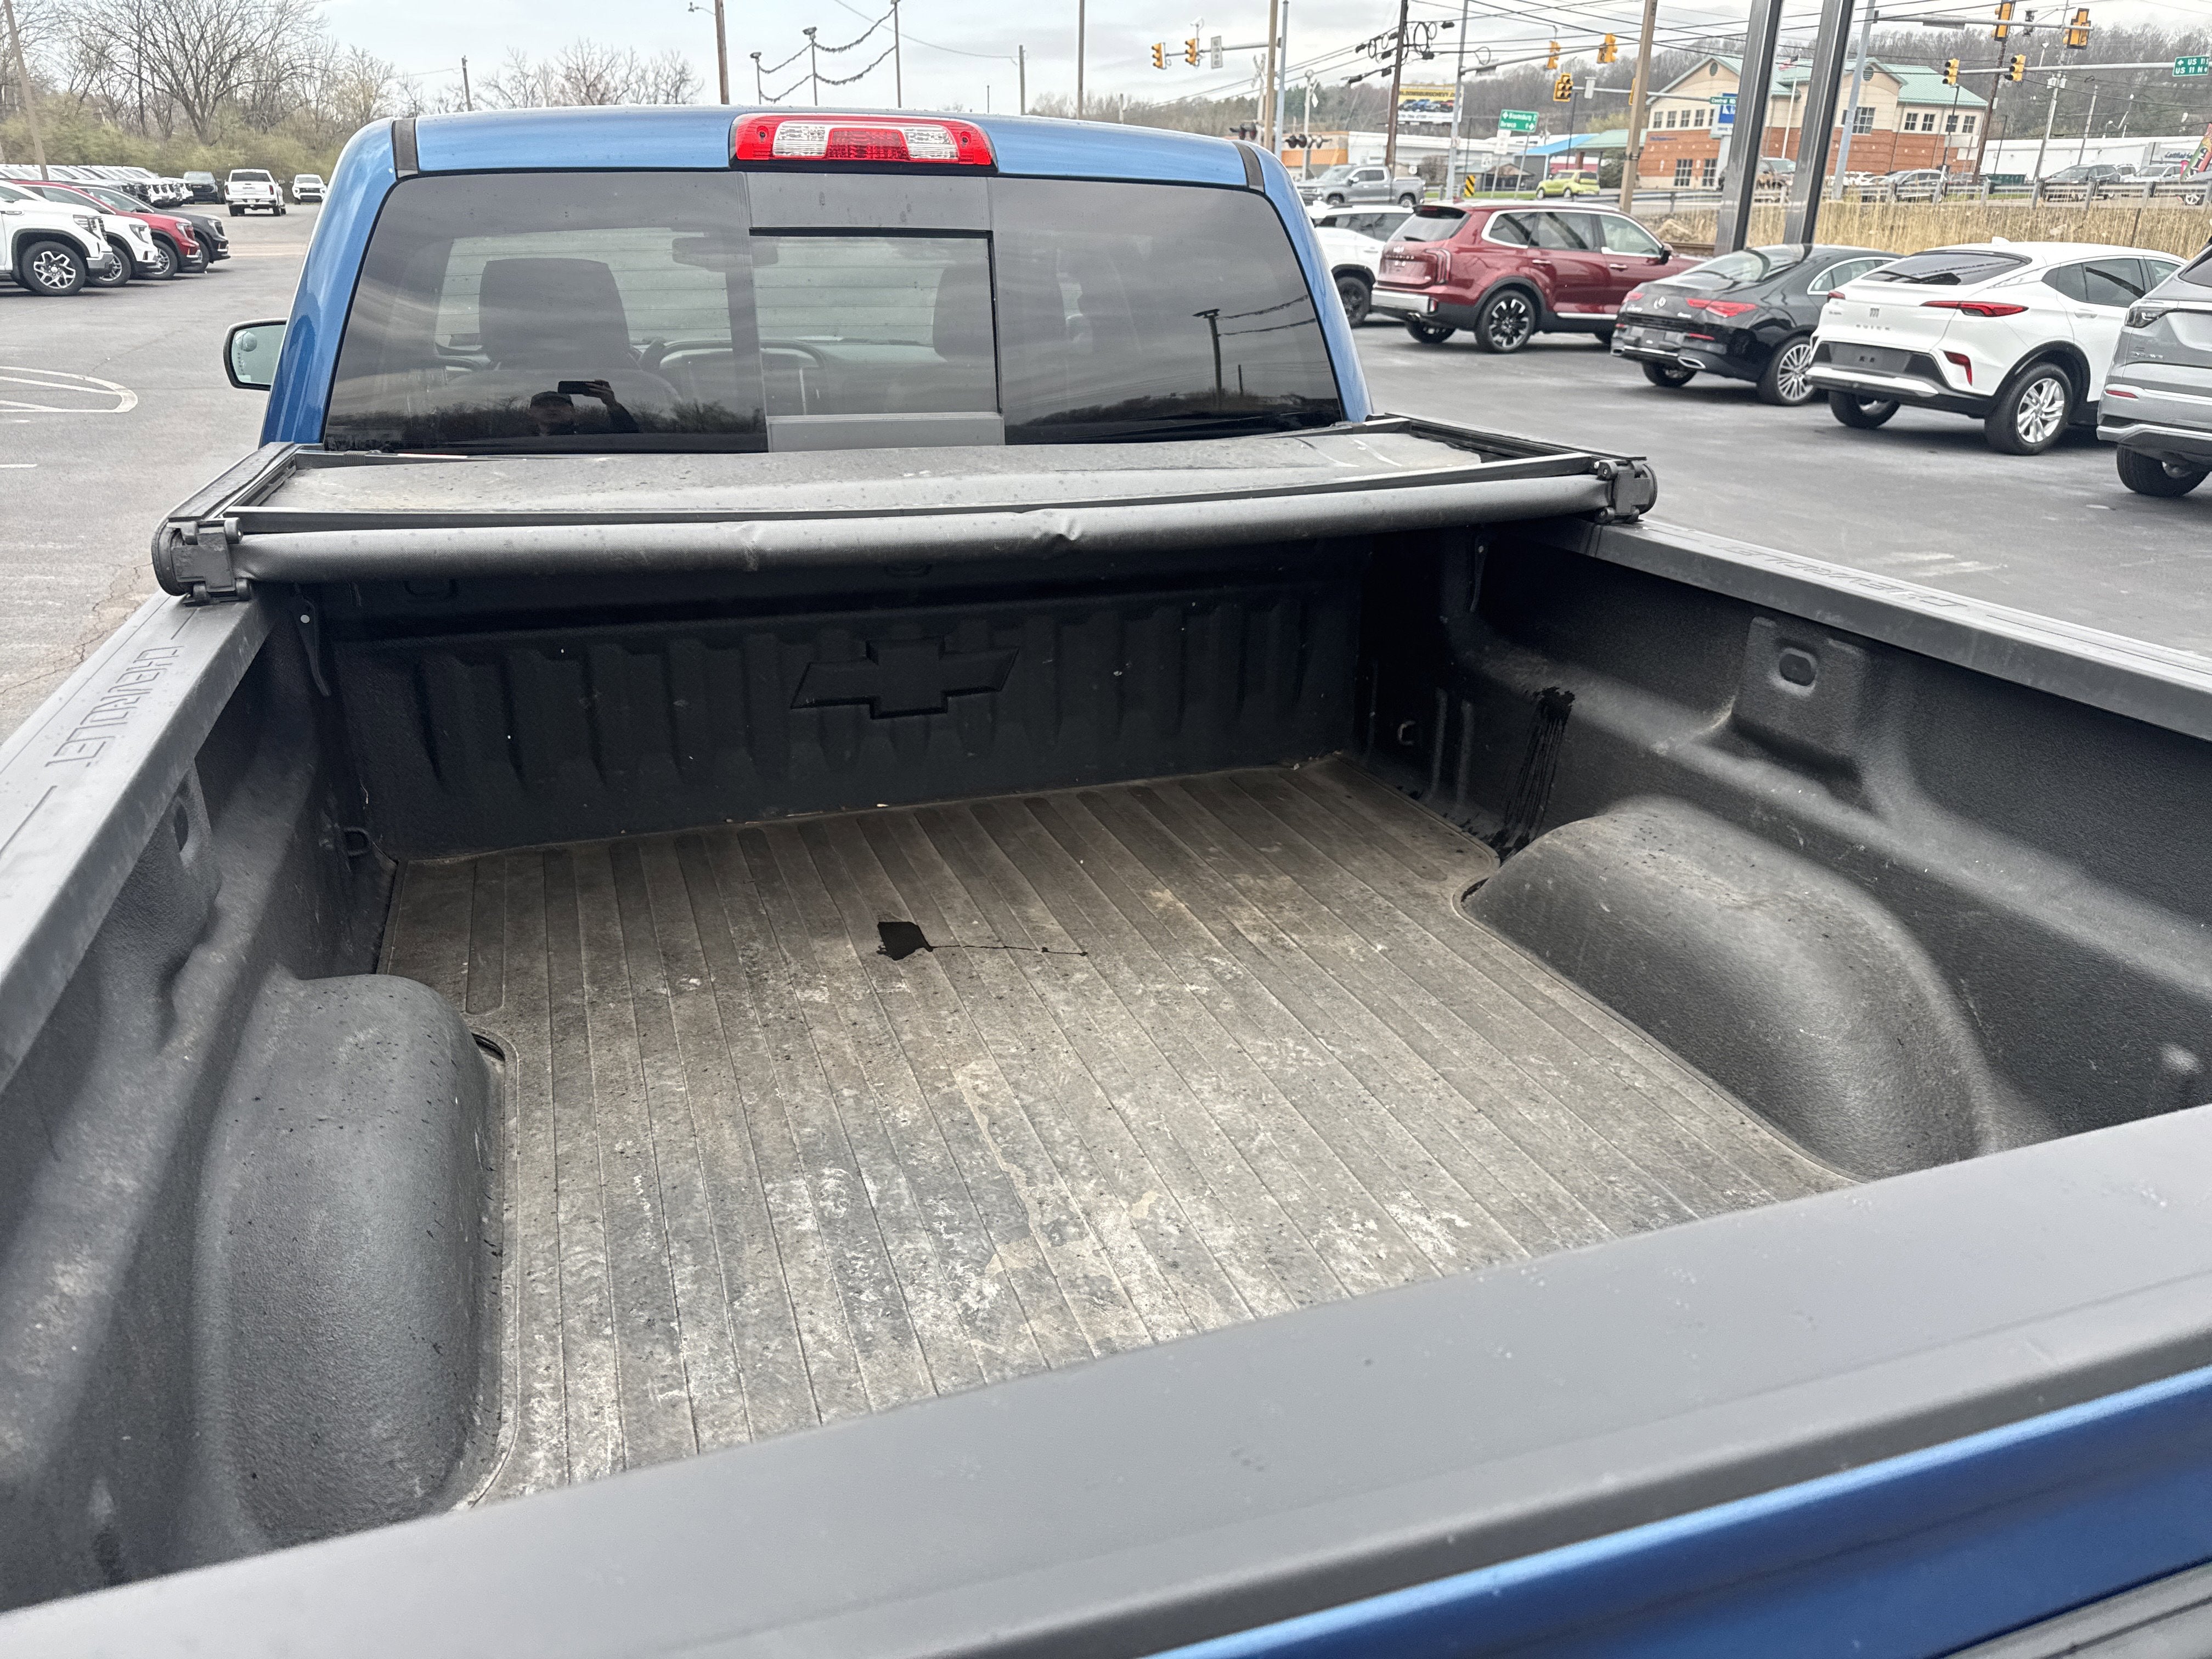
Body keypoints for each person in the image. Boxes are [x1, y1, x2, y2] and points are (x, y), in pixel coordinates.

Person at [526, 380, 639, 436]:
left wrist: (612, 405)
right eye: (544, 405)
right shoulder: (516, 437)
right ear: (530, 412)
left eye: (558, 405)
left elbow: (632, 438)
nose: (551, 409)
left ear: (572, 411)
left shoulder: (591, 434)